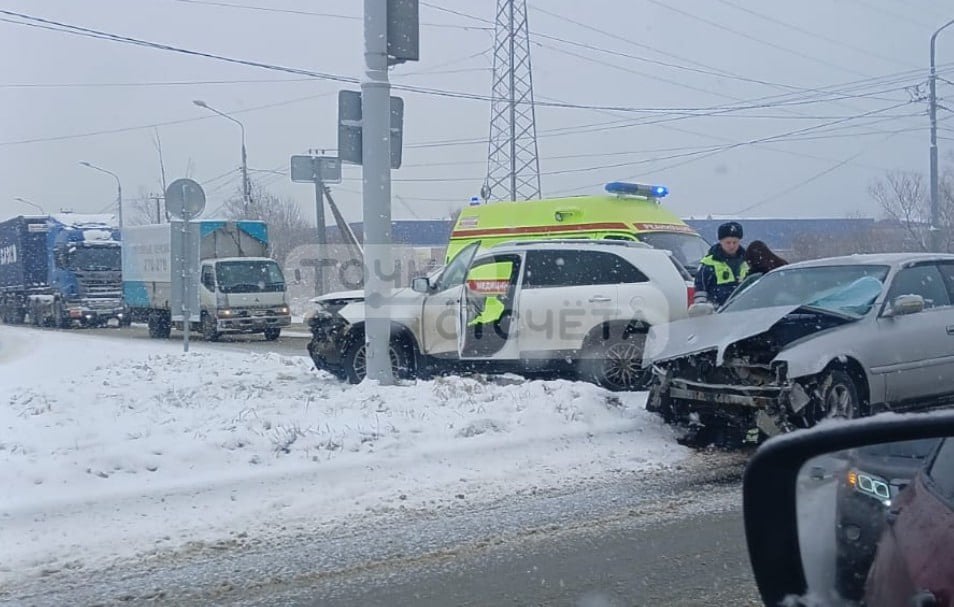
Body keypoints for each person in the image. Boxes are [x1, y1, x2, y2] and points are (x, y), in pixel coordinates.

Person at [693, 221, 749, 307]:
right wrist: (701, 307)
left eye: (735, 242)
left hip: (742, 309)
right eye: (728, 242)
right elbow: (701, 287)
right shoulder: (709, 262)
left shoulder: (747, 261)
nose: (732, 246)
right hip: (717, 311)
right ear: (721, 242)